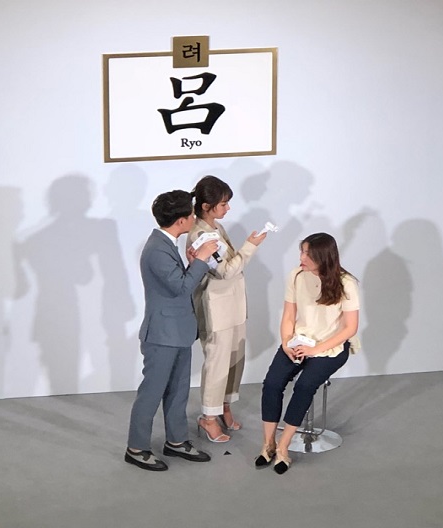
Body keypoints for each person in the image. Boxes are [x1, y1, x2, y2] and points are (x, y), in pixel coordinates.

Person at [125, 190, 219, 472]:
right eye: (191, 214)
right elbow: (181, 287)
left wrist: (192, 263)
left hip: (177, 331)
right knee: (151, 394)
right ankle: (136, 448)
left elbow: (176, 282)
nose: (193, 218)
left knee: (178, 391)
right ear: (181, 221)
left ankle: (176, 441)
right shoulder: (157, 249)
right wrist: (201, 260)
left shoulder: (167, 244)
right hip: (162, 335)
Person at [258, 233, 359, 474]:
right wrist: (286, 342)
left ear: (323, 257)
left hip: (331, 346)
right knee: (272, 383)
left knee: (304, 386)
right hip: (299, 341)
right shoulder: (296, 276)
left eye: (307, 254)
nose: (302, 258)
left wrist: (314, 350)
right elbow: (289, 315)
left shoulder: (346, 283)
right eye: (301, 252)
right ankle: (268, 444)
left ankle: (283, 447)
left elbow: (350, 328)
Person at [187, 175, 268, 443]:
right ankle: (208, 418)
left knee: (235, 359)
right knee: (218, 362)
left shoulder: (216, 227)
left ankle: (224, 406)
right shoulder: (200, 235)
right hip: (216, 307)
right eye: (223, 204)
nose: (228, 208)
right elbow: (225, 271)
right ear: (206, 206)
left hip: (233, 304)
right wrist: (250, 247)